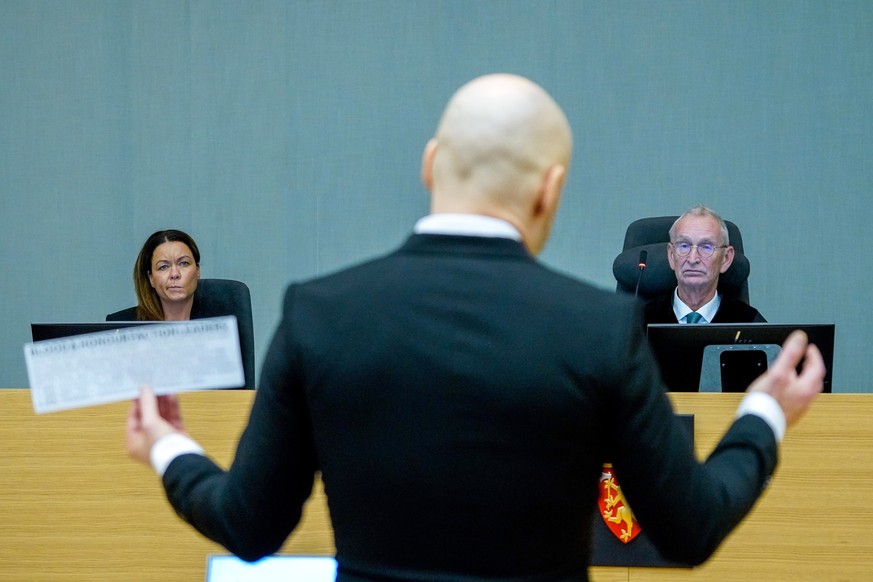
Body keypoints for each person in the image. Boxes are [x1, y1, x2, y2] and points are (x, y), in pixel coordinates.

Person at [125, 74, 824, 581]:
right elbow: (689, 527)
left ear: (431, 166)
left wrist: (168, 445)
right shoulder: (598, 329)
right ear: (549, 189)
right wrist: (762, 412)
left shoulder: (318, 311)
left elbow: (247, 526)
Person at [643, 206, 766, 325]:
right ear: (671, 255)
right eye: (684, 246)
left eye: (706, 247)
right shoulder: (640, 321)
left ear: (726, 258)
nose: (692, 259)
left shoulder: (749, 323)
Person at [107, 229, 202, 322]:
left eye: (184, 263)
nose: (175, 274)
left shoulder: (216, 320)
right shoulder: (122, 324)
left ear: (197, 270)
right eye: (164, 267)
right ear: (151, 278)